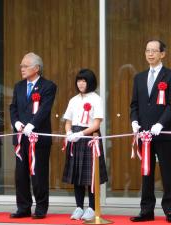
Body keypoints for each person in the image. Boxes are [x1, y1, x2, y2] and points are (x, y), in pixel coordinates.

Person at [130, 39, 171, 223]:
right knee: (146, 173)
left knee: (167, 172)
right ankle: (146, 210)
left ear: (162, 54)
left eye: (154, 51)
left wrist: (161, 123)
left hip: (164, 133)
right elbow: (134, 104)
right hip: (145, 134)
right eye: (147, 51)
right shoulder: (139, 77)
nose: (150, 54)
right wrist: (134, 121)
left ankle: (169, 210)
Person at [9, 52, 57, 219]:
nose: (22, 68)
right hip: (21, 138)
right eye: (21, 66)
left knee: (39, 174)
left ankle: (41, 208)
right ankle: (23, 207)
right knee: (20, 175)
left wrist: (32, 124)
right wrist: (16, 123)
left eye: (25, 66)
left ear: (36, 68)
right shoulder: (19, 86)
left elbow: (44, 109)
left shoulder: (48, 86)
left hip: (38, 138)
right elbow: (13, 107)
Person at [62, 69, 108, 221]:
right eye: (79, 80)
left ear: (90, 82)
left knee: (91, 176)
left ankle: (92, 207)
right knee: (77, 175)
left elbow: (96, 124)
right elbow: (68, 121)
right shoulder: (73, 100)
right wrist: (69, 133)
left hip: (89, 137)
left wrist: (81, 134)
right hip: (75, 137)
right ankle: (79, 207)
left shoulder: (96, 99)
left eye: (84, 80)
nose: (81, 83)